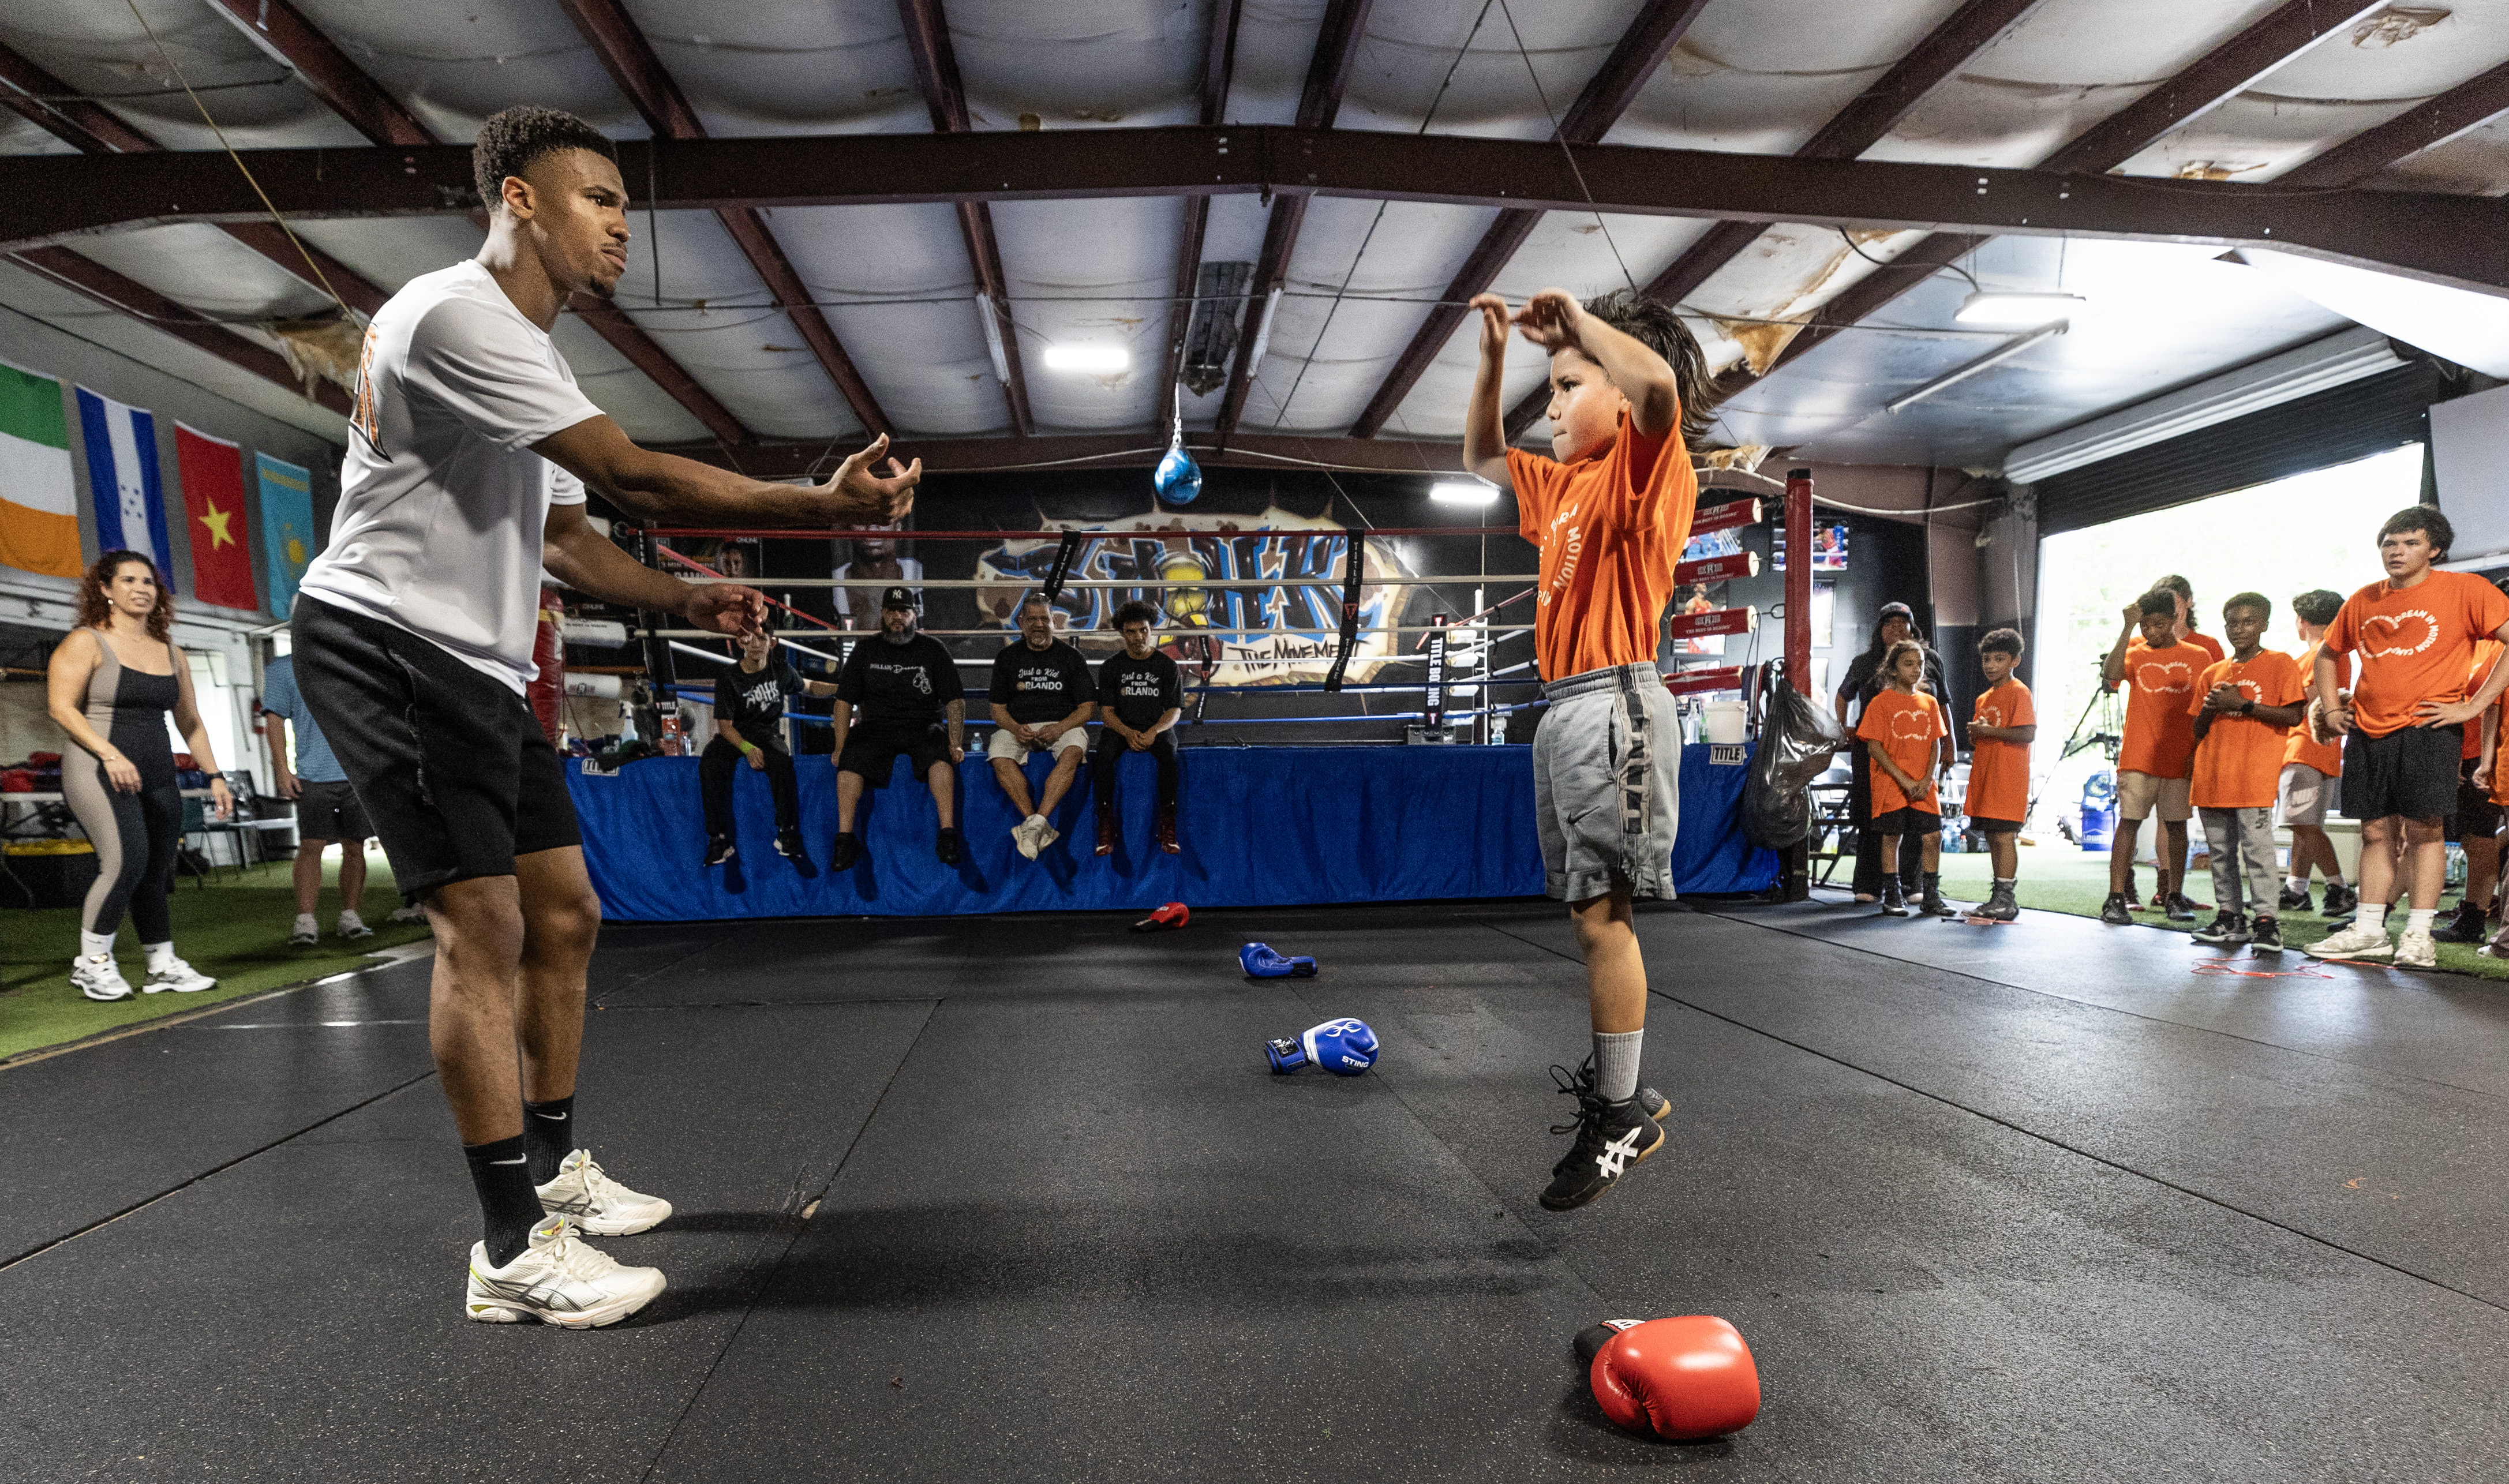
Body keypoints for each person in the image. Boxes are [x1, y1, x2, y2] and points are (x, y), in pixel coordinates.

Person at [290, 105, 918, 1327]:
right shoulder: (459, 313)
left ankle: (554, 1166)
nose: (621, 225)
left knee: (565, 910)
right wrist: (812, 504)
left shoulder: (530, 354)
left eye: (626, 204)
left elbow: (571, 538)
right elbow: (631, 476)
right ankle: (510, 1250)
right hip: (384, 640)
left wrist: (699, 592)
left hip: (469, 660)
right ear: (518, 199)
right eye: (597, 198)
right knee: (483, 923)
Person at [1463, 282, 1714, 1211]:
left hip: (1616, 702)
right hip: (1564, 709)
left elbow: (1658, 393)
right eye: (1553, 388)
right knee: (1585, 915)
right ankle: (1627, 1092)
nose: (1554, 405)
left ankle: (1621, 1116)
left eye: (1569, 385)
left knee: (1608, 916)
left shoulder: (1650, 467)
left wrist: (1585, 331)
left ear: (1616, 390)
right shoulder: (1560, 484)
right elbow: (1486, 453)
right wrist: (1496, 357)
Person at [2307, 509, 2509, 967]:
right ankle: (2369, 930)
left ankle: (2419, 936)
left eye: (2409, 543)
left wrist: (2474, 706)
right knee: (2375, 832)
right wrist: (2333, 708)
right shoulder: (2363, 599)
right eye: (2389, 544)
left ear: (2434, 549)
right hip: (2368, 730)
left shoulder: (2466, 590)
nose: (2396, 552)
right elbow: (2327, 654)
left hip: (2428, 728)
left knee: (2425, 831)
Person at [44, 550, 234, 1001]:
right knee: (125, 860)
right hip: (96, 767)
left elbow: (191, 723)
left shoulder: (171, 652)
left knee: (155, 870)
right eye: (128, 580)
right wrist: (109, 754)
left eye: (148, 582)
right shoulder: (86, 642)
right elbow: (60, 708)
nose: (141, 589)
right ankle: (91, 965)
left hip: (157, 770)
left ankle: (162, 964)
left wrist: (215, 775)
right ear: (106, 590)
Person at [2186, 594, 2305, 951]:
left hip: (2252, 776)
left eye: (2248, 622)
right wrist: (2213, 706)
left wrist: (2244, 705)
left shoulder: (2281, 664)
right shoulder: (2212, 673)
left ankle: (2267, 921)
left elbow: (2294, 716)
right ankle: (2230, 917)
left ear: (2264, 624)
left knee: (2258, 852)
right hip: (2211, 775)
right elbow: (2196, 729)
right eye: (2233, 623)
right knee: (2220, 852)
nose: (2239, 629)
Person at [832, 586, 965, 867]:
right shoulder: (865, 649)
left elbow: (955, 700)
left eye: (903, 611)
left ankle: (948, 834)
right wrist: (840, 747)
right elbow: (843, 702)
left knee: (940, 754)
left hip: (923, 725)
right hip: (876, 727)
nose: (897, 617)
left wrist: (955, 742)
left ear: (914, 615)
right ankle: (845, 840)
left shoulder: (933, 649)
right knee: (849, 758)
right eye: (891, 611)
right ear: (882, 614)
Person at [260, 650, 376, 946]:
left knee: (355, 845)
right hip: (312, 773)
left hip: (356, 773)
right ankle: (306, 920)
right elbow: (274, 720)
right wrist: (282, 770)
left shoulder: (351, 661)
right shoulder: (284, 668)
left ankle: (350, 915)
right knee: (312, 845)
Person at [2100, 591, 2200, 927]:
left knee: (2176, 827)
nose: (2151, 631)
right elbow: (2110, 674)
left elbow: (2204, 709)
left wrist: (2196, 753)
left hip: (2178, 757)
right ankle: (2116, 897)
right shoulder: (2134, 653)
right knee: (2128, 822)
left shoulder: (2198, 656)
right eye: (2146, 624)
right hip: (2138, 756)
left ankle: (2174, 894)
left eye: (2158, 624)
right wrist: (2128, 626)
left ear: (2174, 620)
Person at [700, 625, 837, 870]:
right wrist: (747, 748)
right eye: (749, 637)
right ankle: (717, 839)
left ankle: (788, 833)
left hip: (767, 733)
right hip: (737, 735)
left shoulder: (781, 670)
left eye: (761, 637)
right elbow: (725, 727)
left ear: (771, 643)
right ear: (741, 641)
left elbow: (809, 687)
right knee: (710, 763)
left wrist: (840, 690)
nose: (755, 643)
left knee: (783, 763)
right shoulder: (729, 677)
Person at [1833, 602, 1944, 903]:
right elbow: (1843, 696)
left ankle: (1914, 885)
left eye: (1902, 623)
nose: (1896, 628)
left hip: (1920, 753)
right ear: (1879, 630)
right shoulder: (1864, 662)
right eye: (1889, 624)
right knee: (1876, 818)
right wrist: (1842, 729)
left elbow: (1943, 704)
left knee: (1920, 822)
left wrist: (1949, 750)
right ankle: (1870, 884)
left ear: (1913, 627)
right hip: (1877, 750)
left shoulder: (1930, 659)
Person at [988, 593, 1096, 859]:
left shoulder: (1071, 657)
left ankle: (1038, 822)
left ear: (1054, 622)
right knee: (998, 754)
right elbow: (997, 710)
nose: (1038, 624)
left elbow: (1087, 708)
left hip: (1062, 724)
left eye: (1044, 619)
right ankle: (1033, 824)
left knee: (1073, 751)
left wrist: (1060, 728)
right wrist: (1015, 728)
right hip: (1018, 726)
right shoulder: (1007, 658)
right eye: (1032, 619)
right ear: (1021, 623)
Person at [1856, 639, 1956, 917]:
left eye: (1920, 665)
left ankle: (1931, 896)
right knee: (1893, 836)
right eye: (1908, 664)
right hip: (1891, 782)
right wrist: (1903, 779)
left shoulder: (1930, 702)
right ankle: (1892, 894)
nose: (1916, 670)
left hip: (1924, 783)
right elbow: (1874, 747)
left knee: (1933, 836)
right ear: (1894, 669)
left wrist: (1927, 779)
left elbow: (1936, 743)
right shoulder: (1881, 703)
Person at [2438, 590, 2509, 943]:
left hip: (2487, 757)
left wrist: (2486, 761)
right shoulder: (2476, 644)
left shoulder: (2500, 647)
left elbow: (2490, 706)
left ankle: (2474, 918)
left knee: (2480, 840)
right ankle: (2471, 914)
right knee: (2469, 839)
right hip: (2464, 753)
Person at [2278, 589, 2353, 917]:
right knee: (2305, 825)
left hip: (2304, 748)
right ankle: (2297, 890)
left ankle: (2339, 888)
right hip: (2322, 751)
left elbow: (2300, 701)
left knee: (2303, 825)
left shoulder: (2322, 653)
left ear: (2302, 621)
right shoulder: (2336, 653)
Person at [1093, 600, 1184, 856]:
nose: (1138, 637)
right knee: (1104, 756)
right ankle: (1106, 823)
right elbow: (1107, 714)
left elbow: (1174, 710)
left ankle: (1168, 824)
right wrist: (1128, 733)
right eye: (1131, 632)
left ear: (1151, 629)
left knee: (1169, 754)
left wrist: (1154, 731)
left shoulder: (1167, 666)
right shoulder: (1112, 667)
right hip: (1122, 728)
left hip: (1156, 727)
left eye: (1143, 630)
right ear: (1122, 633)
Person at [1964, 628, 2035, 923]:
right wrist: (1975, 734)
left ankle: (2007, 899)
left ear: (2015, 660)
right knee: (1993, 836)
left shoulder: (2019, 691)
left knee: (2005, 836)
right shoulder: (1984, 698)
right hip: (1986, 778)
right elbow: (1983, 738)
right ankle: (1999, 896)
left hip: (2008, 779)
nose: (1991, 665)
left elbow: (2027, 732)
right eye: (1986, 659)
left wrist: (1988, 731)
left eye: (1999, 659)